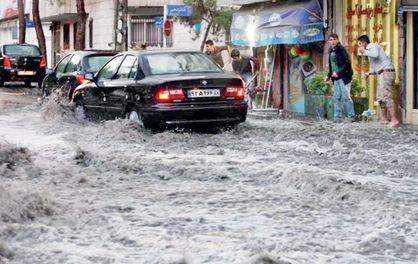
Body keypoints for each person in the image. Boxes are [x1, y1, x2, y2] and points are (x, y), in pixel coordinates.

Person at [358, 35, 400, 127]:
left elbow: (376, 54)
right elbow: (376, 67)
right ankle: (384, 119)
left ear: (364, 43)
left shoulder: (372, 46)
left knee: (386, 96)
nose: (359, 46)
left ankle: (394, 119)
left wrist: (364, 51)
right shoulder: (369, 51)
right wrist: (368, 73)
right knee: (380, 97)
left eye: (360, 44)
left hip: (386, 72)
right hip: (382, 73)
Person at [324, 33, 355, 122]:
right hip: (335, 78)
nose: (332, 41)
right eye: (330, 40)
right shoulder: (330, 50)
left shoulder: (342, 49)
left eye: (334, 39)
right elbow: (332, 65)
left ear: (337, 40)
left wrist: (338, 72)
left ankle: (351, 116)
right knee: (336, 97)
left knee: (346, 97)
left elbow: (347, 63)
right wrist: (328, 75)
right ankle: (337, 116)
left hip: (344, 77)